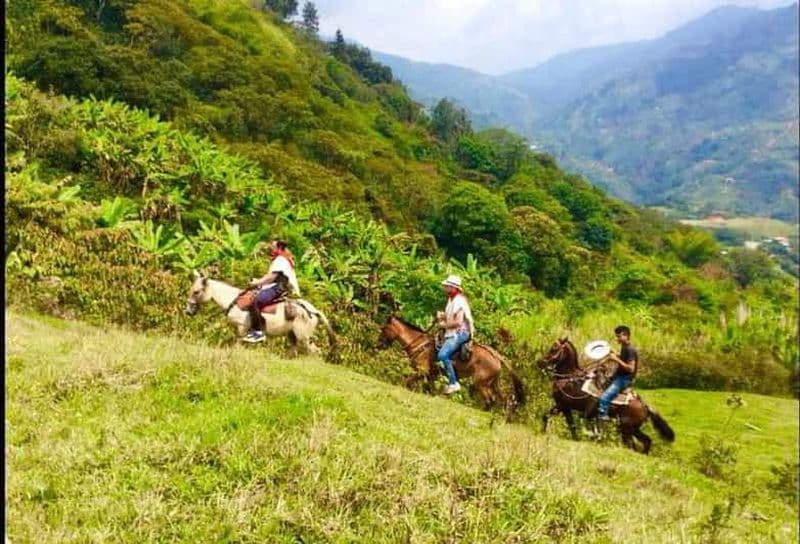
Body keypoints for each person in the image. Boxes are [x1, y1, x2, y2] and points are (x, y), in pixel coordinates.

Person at [242, 240, 300, 343]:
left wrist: (256, 282)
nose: (270, 248)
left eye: (272, 246)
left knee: (256, 300)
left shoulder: (280, 260)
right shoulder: (283, 258)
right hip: (278, 286)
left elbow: (271, 278)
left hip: (279, 287)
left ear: (279, 247)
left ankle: (258, 332)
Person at [435, 274, 474, 395]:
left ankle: (453, 383)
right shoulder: (451, 300)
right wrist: (443, 316)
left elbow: (458, 322)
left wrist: (443, 325)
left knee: (442, 355)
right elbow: (451, 316)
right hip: (452, 331)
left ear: (454, 288)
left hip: (460, 333)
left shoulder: (459, 301)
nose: (445, 288)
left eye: (447, 286)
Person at [598, 325, 638, 421]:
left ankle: (603, 416)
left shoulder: (630, 349)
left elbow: (631, 369)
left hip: (624, 379)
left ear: (626, 336)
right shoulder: (624, 347)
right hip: (618, 375)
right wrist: (615, 353)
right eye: (616, 336)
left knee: (604, 397)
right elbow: (624, 358)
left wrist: (616, 359)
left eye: (619, 336)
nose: (617, 339)